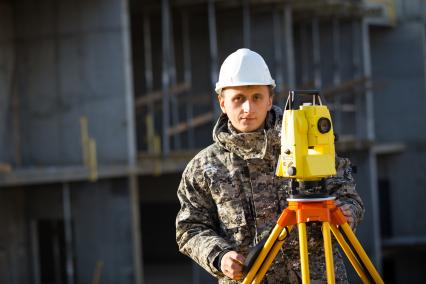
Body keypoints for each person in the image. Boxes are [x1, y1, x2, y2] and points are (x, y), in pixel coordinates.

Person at [176, 48, 364, 283]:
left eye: (256, 97)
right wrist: (219, 256)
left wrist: (348, 212)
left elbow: (348, 196)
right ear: (222, 103)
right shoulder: (204, 167)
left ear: (269, 99)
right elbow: (190, 228)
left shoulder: (309, 145)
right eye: (238, 99)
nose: (248, 108)